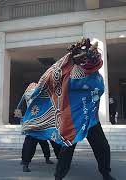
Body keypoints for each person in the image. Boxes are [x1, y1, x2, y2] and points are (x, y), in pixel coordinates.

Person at [21, 38, 116, 180]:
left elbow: (98, 92)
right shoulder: (68, 75)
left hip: (90, 118)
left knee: (102, 146)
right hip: (73, 118)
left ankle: (105, 173)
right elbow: (51, 80)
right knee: (67, 149)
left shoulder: (97, 78)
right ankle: (58, 176)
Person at [15, 82, 61, 172]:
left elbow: (18, 108)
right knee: (53, 140)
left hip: (32, 121)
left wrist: (23, 118)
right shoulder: (41, 92)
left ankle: (25, 163)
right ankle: (61, 160)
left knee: (29, 143)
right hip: (44, 120)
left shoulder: (26, 94)